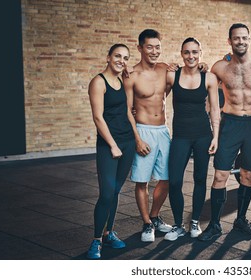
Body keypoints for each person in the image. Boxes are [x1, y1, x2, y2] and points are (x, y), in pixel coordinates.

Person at [198, 23, 251, 241]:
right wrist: (199, 66)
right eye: (236, 38)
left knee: (248, 175)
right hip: (229, 123)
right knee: (220, 173)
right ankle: (214, 224)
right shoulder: (220, 67)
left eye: (244, 38)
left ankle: (241, 219)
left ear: (249, 39)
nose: (240, 41)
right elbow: (200, 83)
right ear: (229, 41)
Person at [164, 37, 220, 241]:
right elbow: (157, 97)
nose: (191, 56)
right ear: (181, 53)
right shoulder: (172, 75)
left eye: (195, 52)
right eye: (187, 52)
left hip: (202, 135)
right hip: (180, 136)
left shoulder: (209, 78)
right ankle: (178, 225)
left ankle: (195, 221)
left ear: (200, 53)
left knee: (199, 179)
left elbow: (215, 109)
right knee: (175, 181)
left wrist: (216, 136)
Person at [86, 44, 136, 259]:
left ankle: (109, 232)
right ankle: (96, 240)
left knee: (115, 191)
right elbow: (98, 117)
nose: (121, 60)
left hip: (127, 142)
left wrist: (134, 139)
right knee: (106, 193)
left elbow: (126, 110)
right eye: (117, 56)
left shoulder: (121, 80)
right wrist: (113, 145)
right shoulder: (99, 82)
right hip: (109, 145)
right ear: (108, 57)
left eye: (125, 57)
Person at [123, 29, 173, 243]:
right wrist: (137, 138)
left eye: (157, 47)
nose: (154, 51)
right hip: (143, 130)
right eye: (150, 47)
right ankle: (146, 223)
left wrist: (202, 65)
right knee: (142, 181)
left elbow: (175, 85)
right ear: (140, 48)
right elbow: (127, 110)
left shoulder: (165, 69)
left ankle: (154, 215)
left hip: (163, 130)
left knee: (167, 178)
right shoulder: (131, 75)